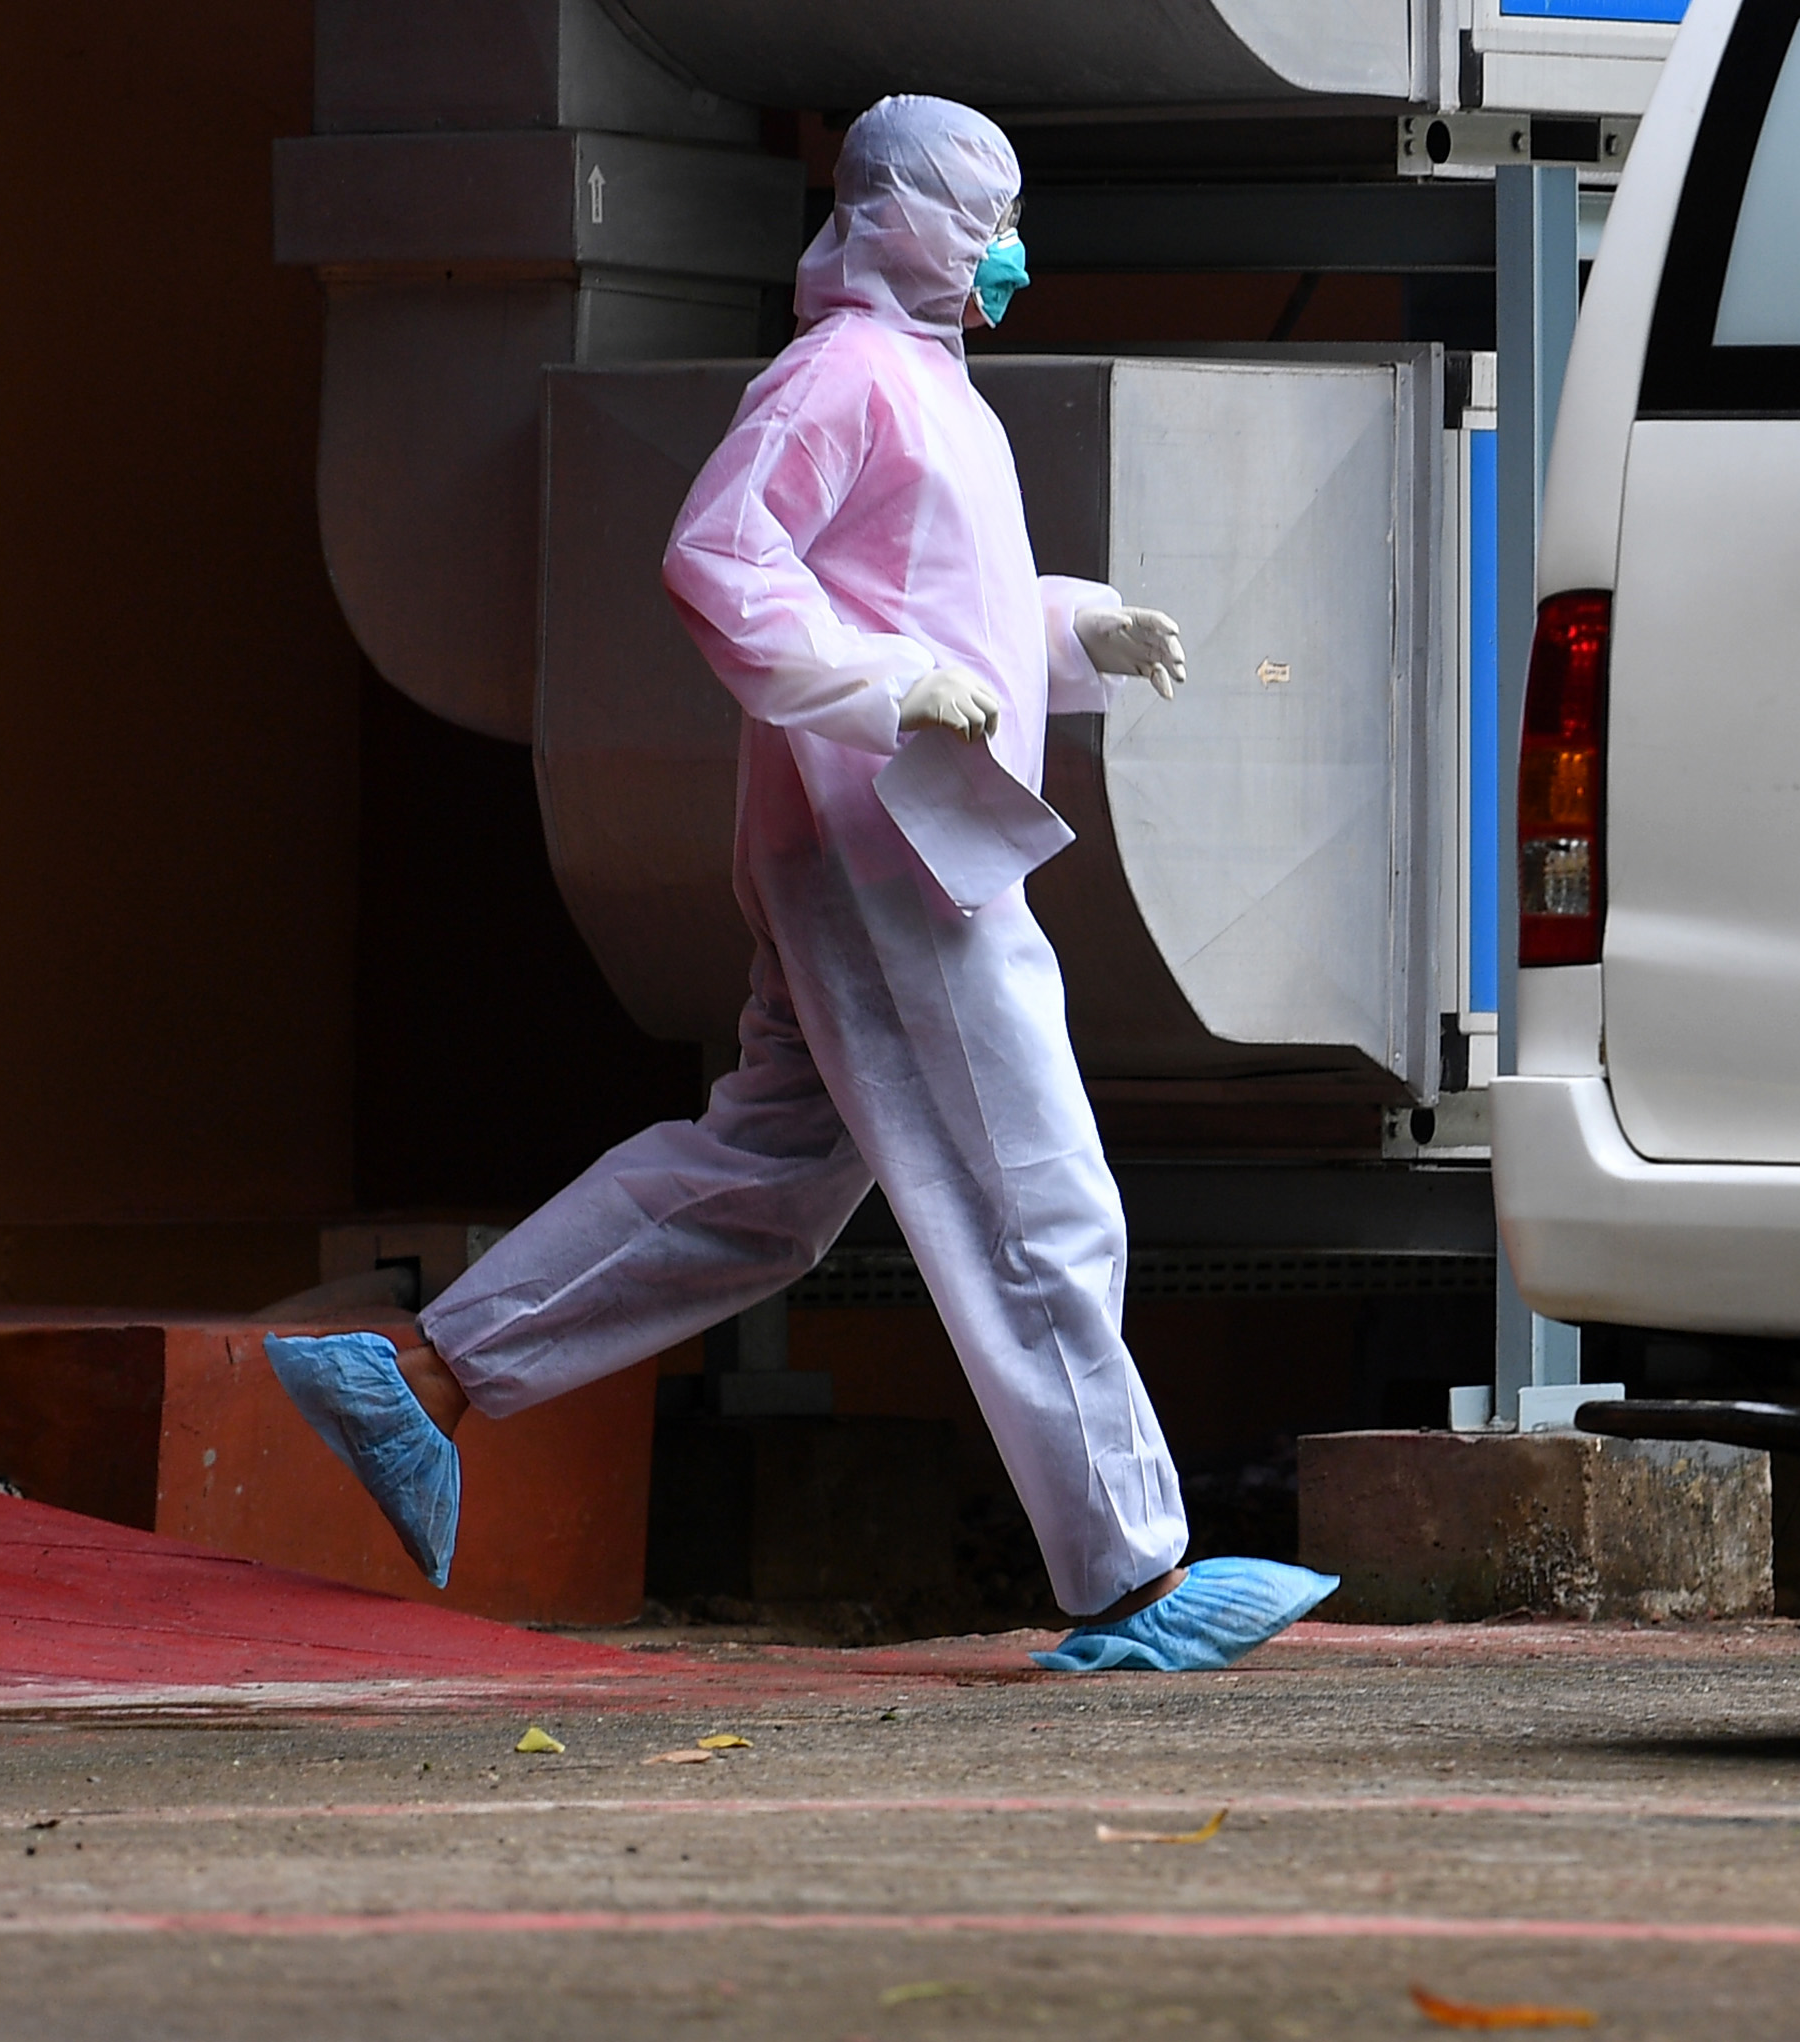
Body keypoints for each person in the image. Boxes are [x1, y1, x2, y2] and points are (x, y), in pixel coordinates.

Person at [269, 96, 1332, 1673]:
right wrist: (883, 684)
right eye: (985, 220)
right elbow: (721, 559)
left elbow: (926, 600)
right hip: (888, 837)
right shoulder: (840, 376)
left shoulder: (924, 387)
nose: (1007, 252)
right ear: (904, 217)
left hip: (886, 822)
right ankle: (1128, 1575)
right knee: (1029, 1181)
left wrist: (1071, 631)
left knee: (762, 1183)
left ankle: (421, 1376)